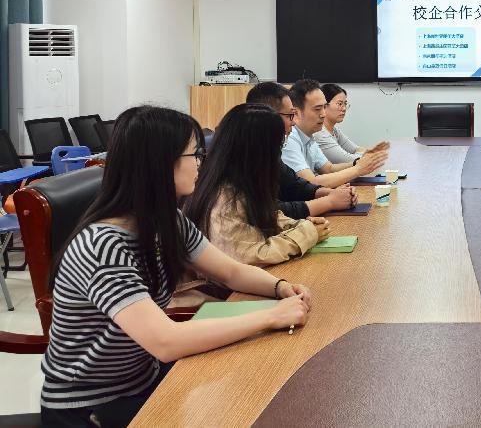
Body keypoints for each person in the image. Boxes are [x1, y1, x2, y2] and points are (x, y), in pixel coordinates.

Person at [40, 106, 311, 427]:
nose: (200, 163)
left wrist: (280, 287)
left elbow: (231, 272)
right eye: (194, 154)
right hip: (90, 407)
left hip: (143, 381)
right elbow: (166, 342)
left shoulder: (166, 220)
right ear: (159, 163)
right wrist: (271, 316)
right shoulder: (103, 246)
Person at [184, 104, 333, 266]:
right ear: (259, 152)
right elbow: (249, 256)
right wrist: (306, 234)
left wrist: (302, 226)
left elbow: (268, 216)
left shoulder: (241, 183)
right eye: (278, 147)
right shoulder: (224, 198)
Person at [246, 82, 356, 217]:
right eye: (290, 115)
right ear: (266, 116)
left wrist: (332, 194)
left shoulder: (269, 149)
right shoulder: (247, 154)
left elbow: (294, 184)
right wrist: (330, 201)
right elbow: (268, 211)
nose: (293, 122)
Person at [282, 78, 387, 188]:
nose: (323, 114)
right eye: (317, 109)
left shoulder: (309, 135)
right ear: (296, 113)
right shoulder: (289, 138)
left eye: (324, 107)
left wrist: (357, 163)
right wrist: (357, 169)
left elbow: (328, 169)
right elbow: (310, 182)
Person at [314, 83, 389, 165]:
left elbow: (355, 149)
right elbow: (347, 159)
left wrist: (372, 152)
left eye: (345, 104)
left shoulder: (335, 131)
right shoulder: (319, 133)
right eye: (339, 104)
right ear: (324, 105)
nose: (344, 108)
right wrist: (371, 155)